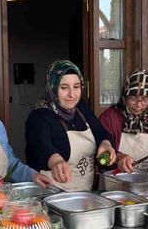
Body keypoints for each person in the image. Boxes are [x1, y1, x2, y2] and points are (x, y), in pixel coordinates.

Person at [25, 60, 116, 191]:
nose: (72, 94)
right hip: (50, 197)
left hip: (84, 196)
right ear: (52, 87)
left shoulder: (81, 109)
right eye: (64, 88)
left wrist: (106, 143)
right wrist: (55, 161)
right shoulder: (39, 116)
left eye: (76, 86)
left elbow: (100, 132)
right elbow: (40, 145)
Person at [99, 69, 148, 172]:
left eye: (144, 99)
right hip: (117, 180)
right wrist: (118, 158)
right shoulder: (109, 117)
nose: (138, 105)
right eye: (133, 98)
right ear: (125, 96)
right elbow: (100, 156)